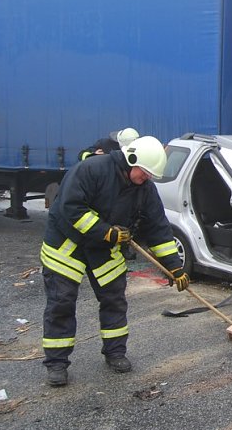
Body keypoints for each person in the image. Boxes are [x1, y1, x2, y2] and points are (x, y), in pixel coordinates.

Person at [41, 135, 189, 387]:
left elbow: (158, 229)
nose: (147, 179)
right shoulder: (91, 170)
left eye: (150, 176)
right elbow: (71, 208)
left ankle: (115, 353)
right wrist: (106, 232)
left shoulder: (145, 189)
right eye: (144, 173)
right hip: (68, 245)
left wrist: (174, 267)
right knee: (61, 303)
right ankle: (56, 364)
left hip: (103, 250)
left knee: (114, 300)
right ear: (131, 160)